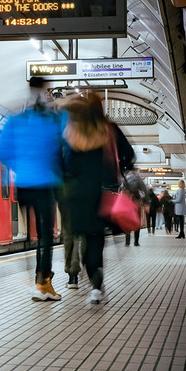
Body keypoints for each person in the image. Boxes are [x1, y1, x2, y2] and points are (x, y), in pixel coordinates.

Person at [0, 76, 65, 302]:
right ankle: (41, 284)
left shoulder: (15, 119)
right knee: (46, 236)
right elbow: (63, 147)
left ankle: (39, 281)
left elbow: (3, 150)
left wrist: (20, 168)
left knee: (34, 236)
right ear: (45, 90)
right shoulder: (52, 119)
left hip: (24, 185)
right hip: (46, 183)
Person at [61, 92, 118, 304]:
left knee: (77, 238)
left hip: (76, 197)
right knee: (95, 241)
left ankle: (78, 276)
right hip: (100, 196)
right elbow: (126, 155)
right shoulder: (106, 131)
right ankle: (96, 286)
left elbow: (66, 166)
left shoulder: (71, 135)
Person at [123, 170, 148, 246]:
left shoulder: (125, 178)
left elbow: (120, 189)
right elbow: (144, 190)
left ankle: (127, 242)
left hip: (127, 202)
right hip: (136, 202)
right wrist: (145, 202)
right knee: (137, 221)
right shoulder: (138, 179)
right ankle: (136, 242)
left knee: (127, 222)